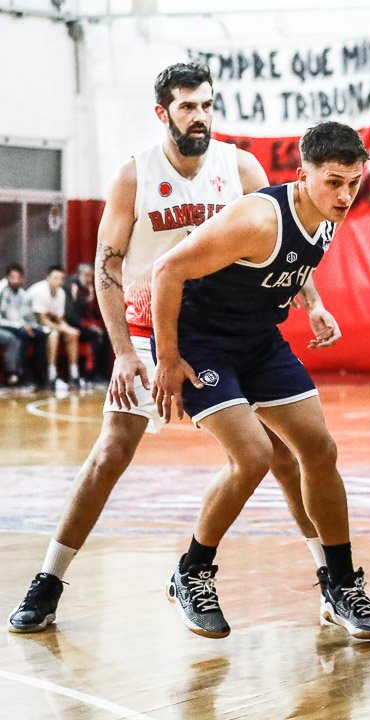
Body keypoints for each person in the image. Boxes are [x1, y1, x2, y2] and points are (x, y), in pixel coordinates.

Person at [8, 62, 331, 634]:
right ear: (164, 113)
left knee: (281, 457)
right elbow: (106, 270)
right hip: (145, 326)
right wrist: (126, 354)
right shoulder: (135, 175)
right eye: (187, 107)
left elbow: (281, 239)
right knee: (112, 452)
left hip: (224, 329)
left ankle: (331, 582)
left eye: (207, 105)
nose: (200, 116)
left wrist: (312, 301)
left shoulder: (240, 166)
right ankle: (49, 581)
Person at [151, 120, 370, 641]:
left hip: (258, 339)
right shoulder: (258, 218)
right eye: (333, 182)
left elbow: (295, 264)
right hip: (200, 342)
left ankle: (341, 584)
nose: (346, 195)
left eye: (354, 182)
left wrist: (316, 305)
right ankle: (191, 572)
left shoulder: (327, 214)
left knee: (319, 450)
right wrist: (167, 359)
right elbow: (166, 271)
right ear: (302, 174)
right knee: (255, 456)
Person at [27, 265, 82, 391]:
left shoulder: (61, 293)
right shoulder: (39, 291)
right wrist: (63, 329)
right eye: (55, 278)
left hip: (45, 325)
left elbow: (59, 319)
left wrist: (69, 329)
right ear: (48, 278)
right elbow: (42, 320)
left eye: (61, 278)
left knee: (72, 334)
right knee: (54, 335)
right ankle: (52, 376)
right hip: (29, 324)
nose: (59, 281)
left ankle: (74, 375)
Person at [1, 264, 49, 387]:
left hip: (15, 324)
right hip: (3, 324)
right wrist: (21, 325)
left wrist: (30, 325)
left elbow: (24, 316)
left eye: (18, 277)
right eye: (12, 277)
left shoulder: (22, 294)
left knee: (40, 335)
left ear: (22, 278)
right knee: (21, 336)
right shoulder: (2, 290)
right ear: (7, 277)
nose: (15, 280)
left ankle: (39, 376)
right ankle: (21, 376)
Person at [64, 262, 111, 382]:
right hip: (69, 323)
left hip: (82, 323)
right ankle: (90, 374)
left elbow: (90, 311)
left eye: (92, 276)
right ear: (81, 274)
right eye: (88, 276)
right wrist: (88, 326)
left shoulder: (88, 287)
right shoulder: (70, 286)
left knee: (106, 335)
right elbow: (69, 313)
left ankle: (103, 373)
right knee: (95, 336)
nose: (91, 279)